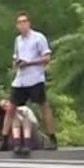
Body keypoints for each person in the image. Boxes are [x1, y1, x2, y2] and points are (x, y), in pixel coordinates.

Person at [8, 11, 58, 150]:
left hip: (35, 77)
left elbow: (47, 58)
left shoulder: (38, 37)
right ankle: (6, 138)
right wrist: (16, 63)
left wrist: (29, 62)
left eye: (24, 21)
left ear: (29, 23)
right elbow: (15, 58)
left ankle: (52, 137)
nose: (22, 25)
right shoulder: (18, 40)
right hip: (21, 79)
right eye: (19, 22)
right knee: (12, 108)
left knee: (43, 106)